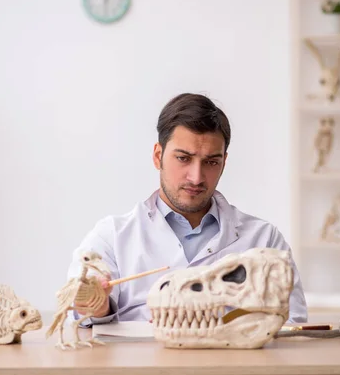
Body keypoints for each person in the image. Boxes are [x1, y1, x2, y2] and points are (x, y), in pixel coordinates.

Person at [68, 93, 307, 326]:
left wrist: (225, 324)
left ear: (224, 163)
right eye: (183, 158)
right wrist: (98, 307)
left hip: (234, 366)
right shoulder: (111, 237)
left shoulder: (264, 240)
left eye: (211, 162)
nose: (196, 177)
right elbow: (80, 322)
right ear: (158, 156)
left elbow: (293, 322)